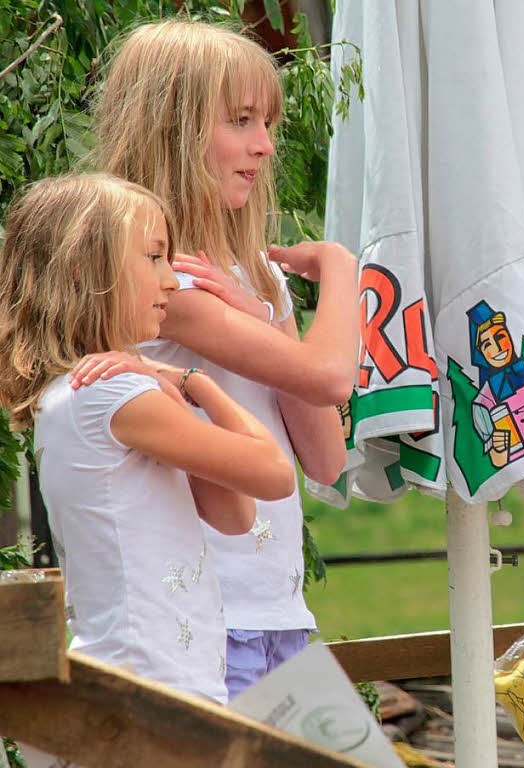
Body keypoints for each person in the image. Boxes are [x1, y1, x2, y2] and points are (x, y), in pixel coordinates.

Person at [91, 20, 359, 696]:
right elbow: (331, 375)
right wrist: (340, 265)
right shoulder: (163, 277)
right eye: (242, 121)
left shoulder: (252, 277)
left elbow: (326, 459)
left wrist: (265, 313)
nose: (264, 146)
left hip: (278, 612)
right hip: (202, 621)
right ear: (173, 129)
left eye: (266, 123)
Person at [0, 173, 296, 703]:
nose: (169, 281)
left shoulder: (82, 390)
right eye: (154, 257)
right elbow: (275, 475)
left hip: (152, 681)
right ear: (90, 272)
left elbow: (235, 515)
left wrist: (177, 390)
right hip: (151, 692)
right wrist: (199, 383)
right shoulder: (112, 392)